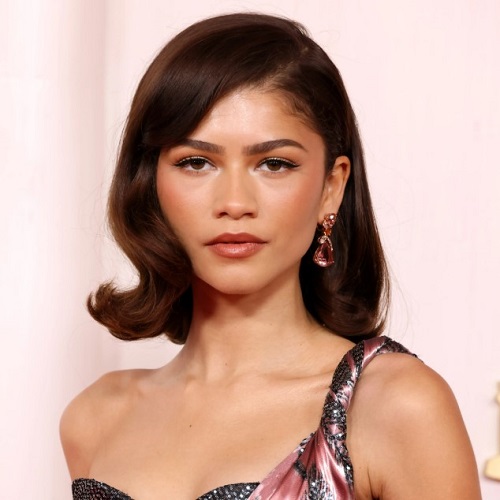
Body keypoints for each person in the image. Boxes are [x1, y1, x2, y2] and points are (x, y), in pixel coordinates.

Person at [60, 12, 481, 500]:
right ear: (150, 182)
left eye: (274, 164)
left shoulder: (396, 406)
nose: (234, 202)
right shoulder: (96, 418)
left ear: (331, 187)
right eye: (196, 162)